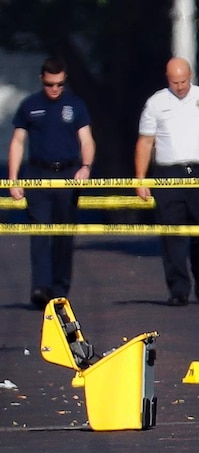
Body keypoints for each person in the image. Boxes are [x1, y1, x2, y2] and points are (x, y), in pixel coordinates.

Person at [134, 57, 199, 307]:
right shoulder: (156, 103)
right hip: (169, 174)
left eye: (184, 81)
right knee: (171, 235)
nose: (180, 86)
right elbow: (145, 142)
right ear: (168, 79)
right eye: (175, 82)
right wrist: (141, 178)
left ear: (191, 76)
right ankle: (178, 289)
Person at [8, 57, 96, 309]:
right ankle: (41, 287)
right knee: (39, 233)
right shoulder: (30, 106)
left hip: (67, 174)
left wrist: (86, 166)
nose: (54, 89)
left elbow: (87, 140)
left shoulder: (76, 105)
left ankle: (59, 290)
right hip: (38, 173)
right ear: (42, 80)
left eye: (58, 84)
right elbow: (17, 142)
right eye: (49, 84)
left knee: (63, 236)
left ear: (64, 80)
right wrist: (13, 179)